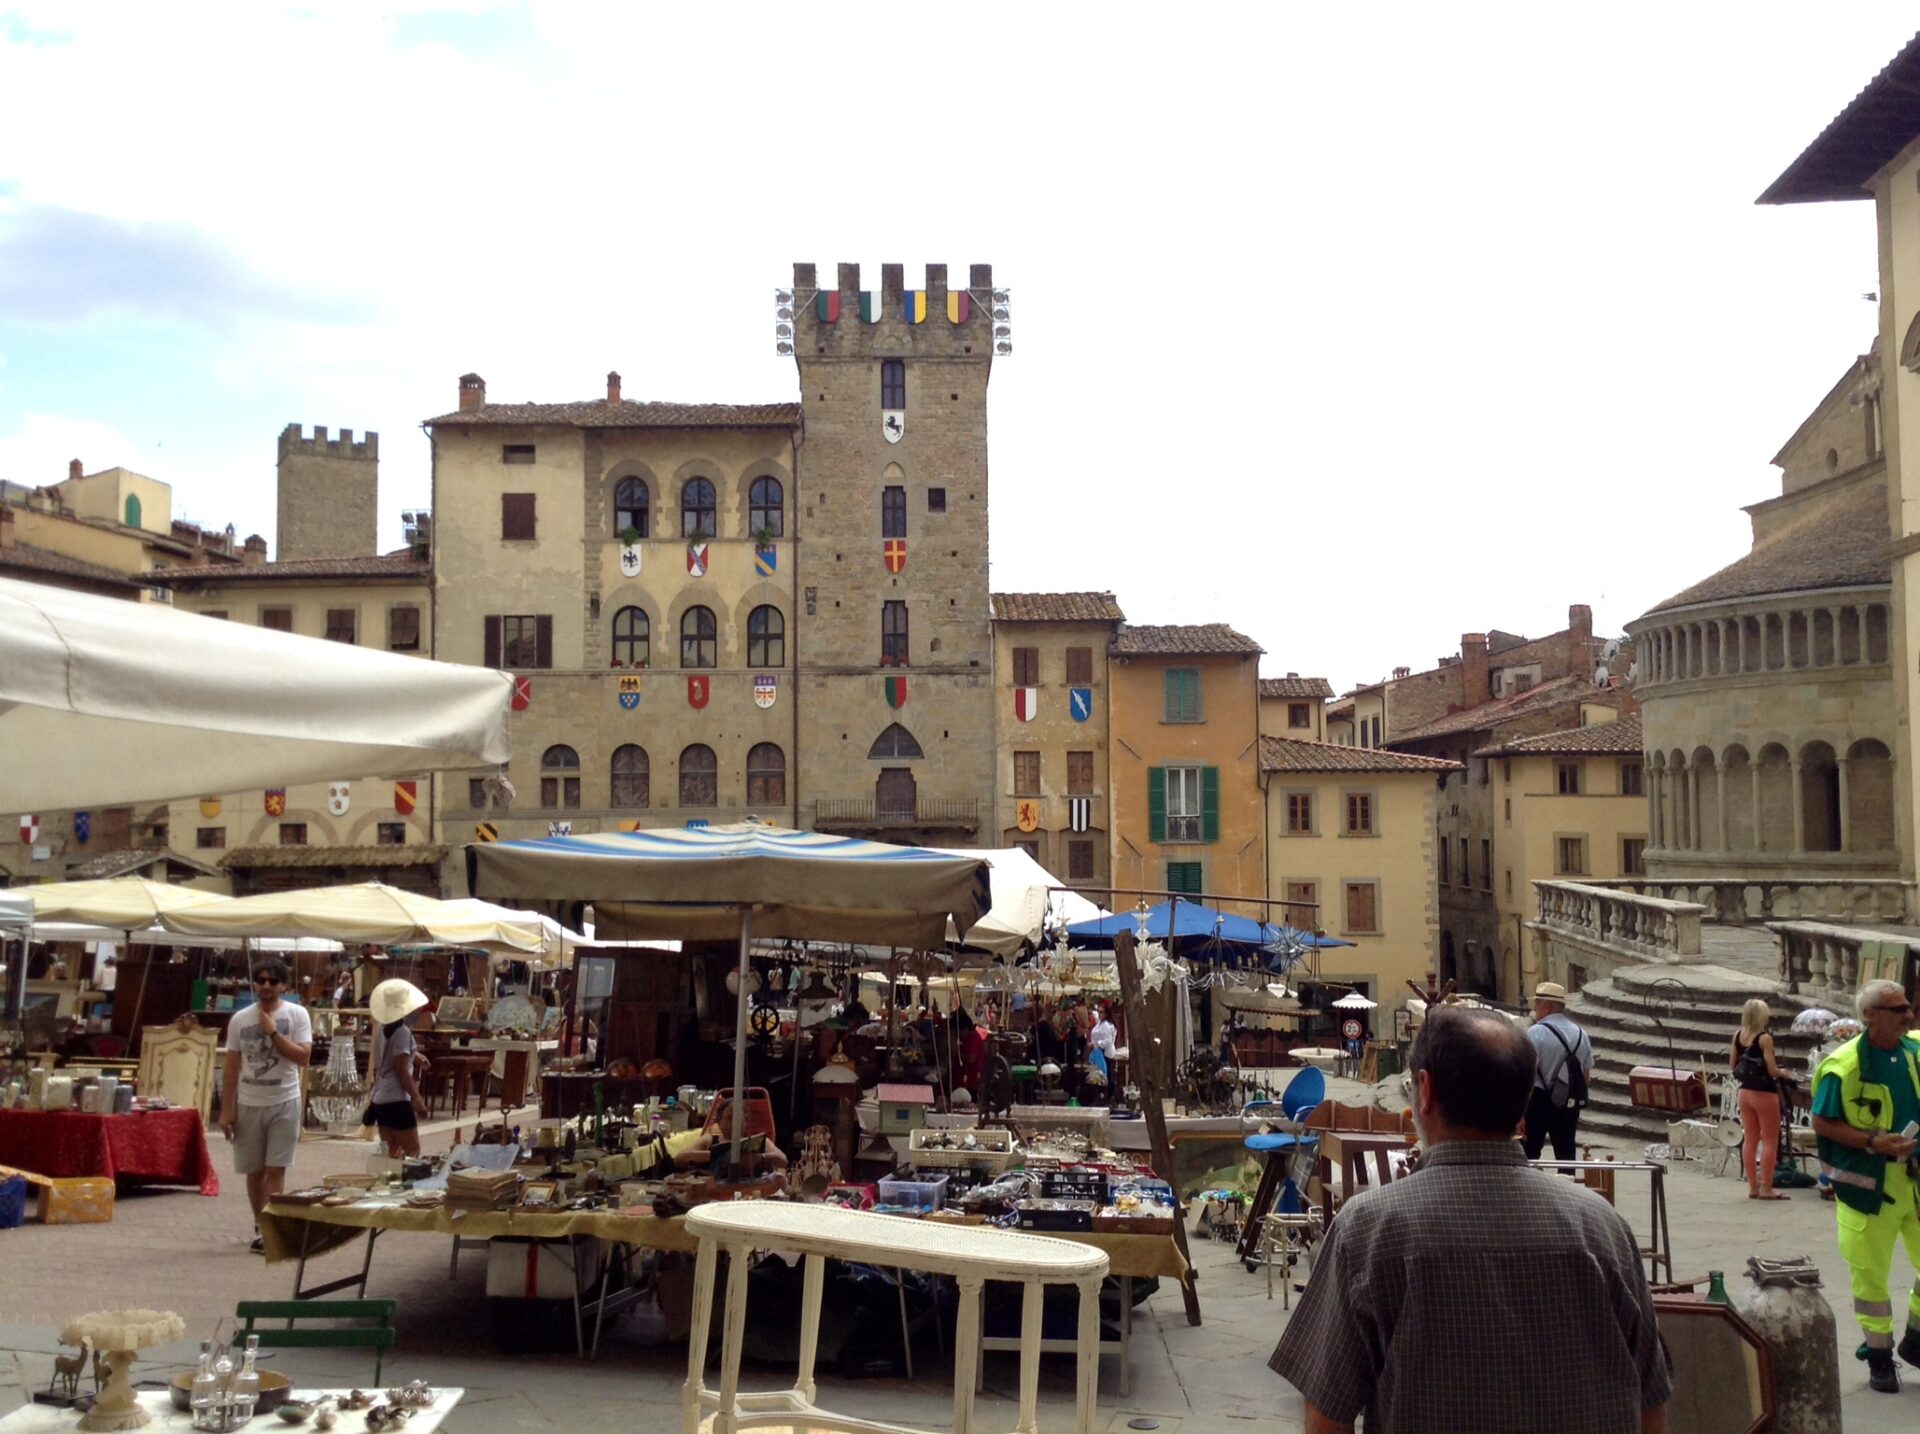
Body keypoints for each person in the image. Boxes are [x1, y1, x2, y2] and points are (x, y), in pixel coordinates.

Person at [1268, 1005, 1670, 1433]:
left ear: (1424, 1091)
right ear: (1523, 1105)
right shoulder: (1604, 1229)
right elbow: (1651, 1405)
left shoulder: (1368, 1230)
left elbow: (1326, 1420)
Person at [1810, 978, 1920, 1393]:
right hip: (1870, 1185)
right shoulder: (1845, 1066)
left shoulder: (1914, 1052)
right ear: (1871, 1015)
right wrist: (1873, 1141)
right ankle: (1879, 1357)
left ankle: (1916, 1341)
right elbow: (1822, 1122)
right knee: (1870, 1278)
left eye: (1908, 1007)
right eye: (1898, 1009)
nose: (1908, 1015)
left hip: (1914, 1175)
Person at [218, 957, 313, 1253]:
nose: (266, 986)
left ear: (284, 985)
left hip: (285, 1100)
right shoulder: (239, 1020)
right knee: (254, 1170)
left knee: (276, 1168)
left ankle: (271, 1229)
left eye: (273, 981)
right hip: (249, 1102)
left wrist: (272, 1032)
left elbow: (303, 1057)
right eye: (261, 980)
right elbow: (232, 1067)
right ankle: (260, 1224)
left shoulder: (297, 1015)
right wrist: (227, 1109)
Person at [1523, 980, 1592, 1162]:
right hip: (1568, 1100)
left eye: (1537, 1003)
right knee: (1566, 1152)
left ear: (1548, 1006)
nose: (1535, 1007)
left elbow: (1527, 1075)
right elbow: (1586, 1077)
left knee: (1530, 1153)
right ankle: (1568, 1185)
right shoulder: (1581, 1034)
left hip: (1539, 1099)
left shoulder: (1536, 1033)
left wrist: (1520, 1112)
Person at [366, 979, 433, 1158]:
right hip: (397, 1098)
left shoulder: (382, 1028)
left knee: (391, 1152)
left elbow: (393, 1055)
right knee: (411, 1151)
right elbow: (401, 1070)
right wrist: (417, 1099)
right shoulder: (402, 1031)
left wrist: (415, 1055)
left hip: (381, 1097)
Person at [1731, 997, 1789, 1201]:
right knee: (1770, 1140)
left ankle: (1753, 1186)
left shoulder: (1738, 1035)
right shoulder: (1764, 1039)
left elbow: (1733, 1065)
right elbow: (1772, 1070)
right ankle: (1766, 1186)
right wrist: (1783, 1073)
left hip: (1744, 1092)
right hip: (1764, 1093)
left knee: (1750, 1138)